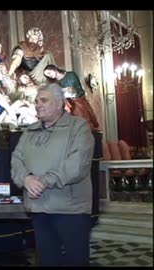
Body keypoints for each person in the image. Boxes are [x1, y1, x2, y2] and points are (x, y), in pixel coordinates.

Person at [11, 83, 94, 266]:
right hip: (39, 208)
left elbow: (77, 164)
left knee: (76, 261)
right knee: (47, 261)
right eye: (36, 101)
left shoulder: (78, 127)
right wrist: (26, 179)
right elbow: (16, 159)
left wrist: (43, 181)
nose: (37, 104)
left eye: (43, 100)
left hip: (70, 210)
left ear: (59, 103)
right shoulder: (29, 131)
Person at [43, 64, 100, 131]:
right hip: (67, 105)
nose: (50, 75)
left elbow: (79, 89)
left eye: (49, 73)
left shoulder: (71, 75)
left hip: (79, 101)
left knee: (84, 120)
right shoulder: (55, 83)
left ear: (54, 69)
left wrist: (72, 93)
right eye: (47, 75)